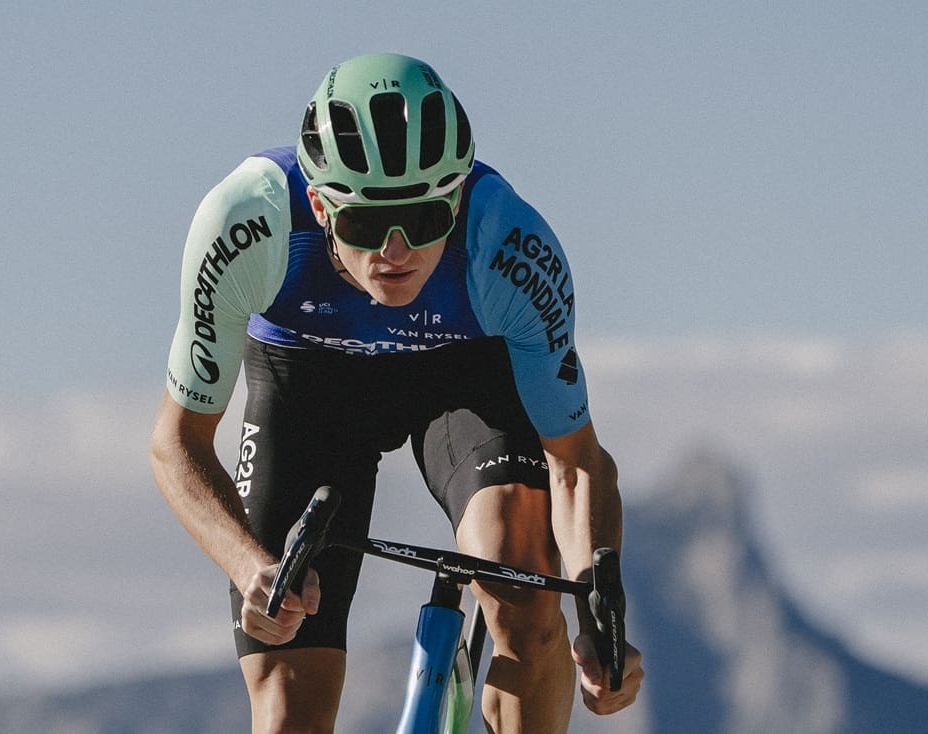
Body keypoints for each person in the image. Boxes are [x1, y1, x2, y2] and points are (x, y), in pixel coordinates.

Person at [147, 53, 646, 733]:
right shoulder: (247, 225)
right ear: (320, 207)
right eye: (365, 224)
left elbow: (577, 463)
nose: (397, 249)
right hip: (308, 380)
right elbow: (176, 443)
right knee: (286, 695)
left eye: (423, 217)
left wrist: (594, 619)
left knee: (522, 594)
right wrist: (248, 565)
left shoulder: (508, 246)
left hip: (462, 373)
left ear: (457, 200)